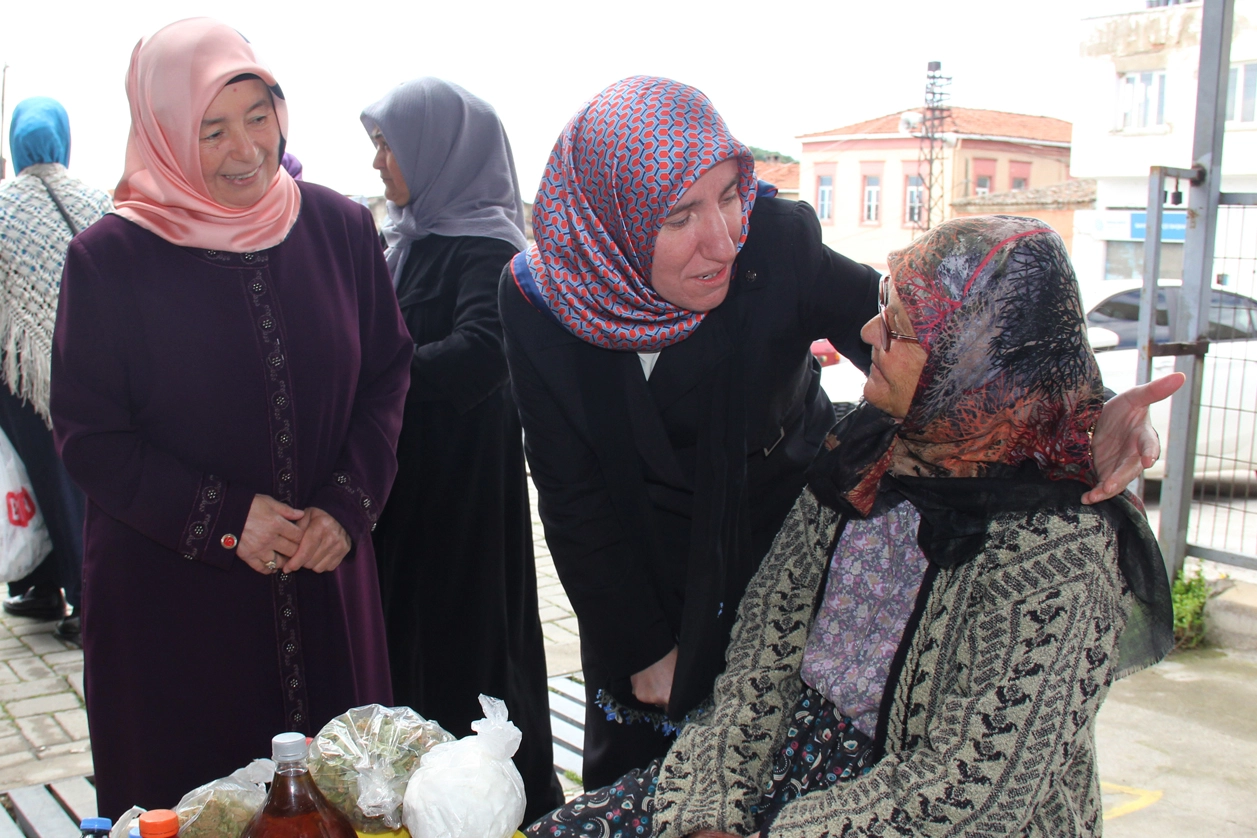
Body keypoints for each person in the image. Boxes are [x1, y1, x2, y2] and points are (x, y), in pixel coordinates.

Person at [500, 76, 1180, 788]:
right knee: (640, 779)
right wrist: (640, 647)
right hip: (631, 569)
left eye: (731, 196)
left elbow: (943, 351)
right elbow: (568, 490)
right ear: (613, 221)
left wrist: (1078, 415)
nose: (724, 241)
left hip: (777, 546)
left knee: (770, 769)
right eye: (678, 216)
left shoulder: (776, 245)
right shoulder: (538, 299)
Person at [49, 18, 411, 817]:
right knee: (193, 805)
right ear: (166, 134)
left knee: (346, 799)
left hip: (324, 581)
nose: (247, 149)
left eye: (259, 116)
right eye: (211, 130)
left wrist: (349, 506)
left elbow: (386, 372)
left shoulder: (339, 230)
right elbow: (89, 435)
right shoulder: (109, 261)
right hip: (174, 609)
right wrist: (222, 518)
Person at [360, 77, 562, 821]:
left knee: (466, 650)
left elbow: (481, 351)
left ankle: (486, 807)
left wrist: (371, 368)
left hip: (460, 496)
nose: (380, 162)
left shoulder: (487, 248)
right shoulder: (412, 238)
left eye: (389, 144)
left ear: (438, 151)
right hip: (411, 489)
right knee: (410, 645)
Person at [0, 97, 111, 643]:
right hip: (95, 370)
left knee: (40, 487)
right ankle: (80, 593)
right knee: (90, 487)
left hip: (24, 379)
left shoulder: (2, 208)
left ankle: (65, 594)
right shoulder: (97, 201)